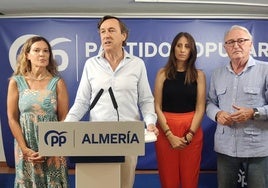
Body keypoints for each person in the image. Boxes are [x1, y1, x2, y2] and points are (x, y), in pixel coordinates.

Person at [64, 15, 158, 188]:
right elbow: (82, 102)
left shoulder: (137, 64)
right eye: (102, 31)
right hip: (97, 138)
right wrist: (66, 126)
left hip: (128, 137)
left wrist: (150, 122)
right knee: (99, 184)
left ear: (124, 36)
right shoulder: (91, 64)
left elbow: (145, 100)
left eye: (111, 30)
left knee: (124, 184)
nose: (106, 35)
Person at [206, 25, 268, 188]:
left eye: (241, 40)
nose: (236, 45)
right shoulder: (217, 74)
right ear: (225, 47)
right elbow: (209, 102)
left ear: (251, 44)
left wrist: (254, 112)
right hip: (225, 148)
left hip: (257, 149)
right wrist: (218, 114)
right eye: (231, 42)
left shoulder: (265, 70)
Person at [7, 36, 69, 188]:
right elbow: (12, 118)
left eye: (46, 51)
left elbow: (64, 118)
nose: (42, 54)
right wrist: (24, 148)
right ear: (27, 55)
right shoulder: (16, 82)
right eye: (37, 50)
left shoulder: (58, 82)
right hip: (26, 146)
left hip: (53, 145)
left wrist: (51, 147)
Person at [154, 32, 206, 188]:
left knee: (190, 179)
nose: (183, 50)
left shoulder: (199, 75)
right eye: (179, 45)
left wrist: (190, 134)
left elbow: (200, 107)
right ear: (173, 49)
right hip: (165, 129)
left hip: (191, 129)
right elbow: (157, 106)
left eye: (187, 46)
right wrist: (169, 134)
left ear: (192, 50)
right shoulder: (162, 73)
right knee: (168, 179)